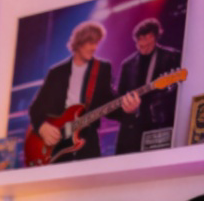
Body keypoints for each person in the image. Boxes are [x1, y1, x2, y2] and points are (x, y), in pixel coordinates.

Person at [27, 21, 139, 163]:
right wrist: (42, 127)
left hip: (87, 140)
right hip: (57, 143)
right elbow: (36, 108)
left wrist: (128, 110)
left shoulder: (102, 68)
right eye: (90, 42)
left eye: (97, 43)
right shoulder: (56, 72)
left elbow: (108, 103)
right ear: (78, 42)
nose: (94, 47)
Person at [114, 18, 182, 155]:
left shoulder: (172, 57)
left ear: (156, 37)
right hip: (133, 127)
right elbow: (119, 97)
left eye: (148, 39)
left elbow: (180, 92)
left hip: (161, 124)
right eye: (140, 41)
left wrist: (167, 92)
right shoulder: (127, 64)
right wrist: (128, 107)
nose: (144, 44)